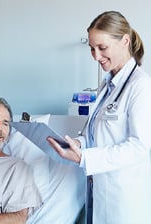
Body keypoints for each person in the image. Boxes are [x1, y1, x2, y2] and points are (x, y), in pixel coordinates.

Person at [48, 11, 151, 224]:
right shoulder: (106, 85)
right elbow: (94, 135)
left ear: (125, 41)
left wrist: (85, 158)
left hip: (124, 202)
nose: (95, 56)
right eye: (91, 49)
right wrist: (77, 144)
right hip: (98, 192)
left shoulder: (141, 86)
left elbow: (139, 146)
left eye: (102, 48)